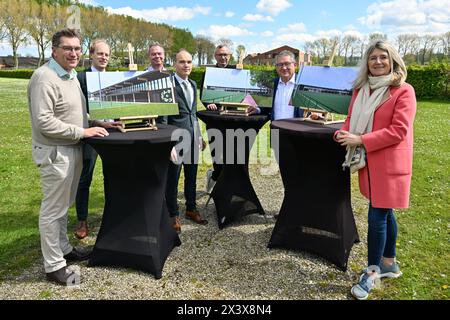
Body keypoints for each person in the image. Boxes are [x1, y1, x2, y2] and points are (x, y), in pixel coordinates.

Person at [27, 29, 120, 285]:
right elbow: (44, 122)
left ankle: (64, 250)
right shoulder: (45, 78)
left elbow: (75, 113)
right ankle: (54, 266)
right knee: (53, 210)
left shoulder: (69, 76)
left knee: (63, 206)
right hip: (56, 153)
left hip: (72, 149)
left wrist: (98, 122)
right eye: (68, 48)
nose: (74, 53)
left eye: (77, 48)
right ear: (54, 50)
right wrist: (83, 131)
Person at [334, 40, 416, 300]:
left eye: (383, 57)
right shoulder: (361, 89)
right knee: (385, 210)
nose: (378, 62)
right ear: (366, 63)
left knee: (376, 217)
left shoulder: (403, 91)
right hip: (368, 164)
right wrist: (343, 132)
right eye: (373, 58)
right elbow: (350, 117)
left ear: (393, 60)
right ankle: (389, 263)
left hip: (389, 164)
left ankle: (371, 274)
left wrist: (361, 140)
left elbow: (398, 131)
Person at [162, 49, 208, 233]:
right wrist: (167, 143)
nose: (186, 65)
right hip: (176, 141)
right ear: (175, 64)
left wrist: (199, 136)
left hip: (192, 138)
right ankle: (172, 214)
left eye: (189, 61)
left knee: (191, 177)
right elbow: (164, 117)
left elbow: (193, 114)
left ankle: (191, 208)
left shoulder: (193, 84)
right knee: (172, 179)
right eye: (182, 62)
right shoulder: (168, 85)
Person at [74, 39, 111, 239]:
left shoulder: (114, 77)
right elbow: (77, 109)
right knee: (85, 177)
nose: (103, 57)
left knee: (112, 176)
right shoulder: (80, 77)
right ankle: (82, 219)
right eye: (100, 54)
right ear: (91, 55)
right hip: (90, 134)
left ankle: (111, 215)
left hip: (112, 133)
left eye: (106, 54)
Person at [202, 44, 236, 194]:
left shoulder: (237, 72)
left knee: (233, 156)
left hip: (233, 119)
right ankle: (214, 176)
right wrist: (209, 104)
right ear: (215, 56)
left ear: (230, 56)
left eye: (226, 54)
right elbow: (204, 95)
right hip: (215, 120)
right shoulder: (209, 73)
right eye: (220, 54)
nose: (223, 57)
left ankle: (226, 186)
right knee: (218, 155)